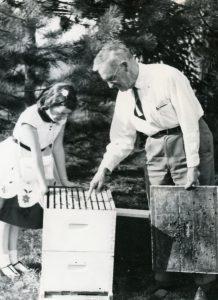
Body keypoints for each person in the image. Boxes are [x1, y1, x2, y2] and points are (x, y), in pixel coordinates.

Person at [88, 42, 216, 300]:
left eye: (111, 79)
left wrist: (193, 165)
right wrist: (105, 168)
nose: (110, 86)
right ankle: (165, 280)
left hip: (187, 139)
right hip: (155, 146)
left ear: (124, 65)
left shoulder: (166, 76)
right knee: (161, 210)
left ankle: (206, 284)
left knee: (195, 210)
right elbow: (122, 139)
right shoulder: (124, 94)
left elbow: (190, 121)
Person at [0, 82, 77, 279]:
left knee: (16, 213)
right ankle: (4, 261)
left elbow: (57, 148)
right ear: (48, 104)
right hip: (17, 162)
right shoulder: (30, 117)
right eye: (59, 113)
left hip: (39, 162)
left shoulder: (60, 117)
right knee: (5, 214)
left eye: (66, 115)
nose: (62, 118)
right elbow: (33, 154)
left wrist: (64, 179)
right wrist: (43, 185)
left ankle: (15, 258)